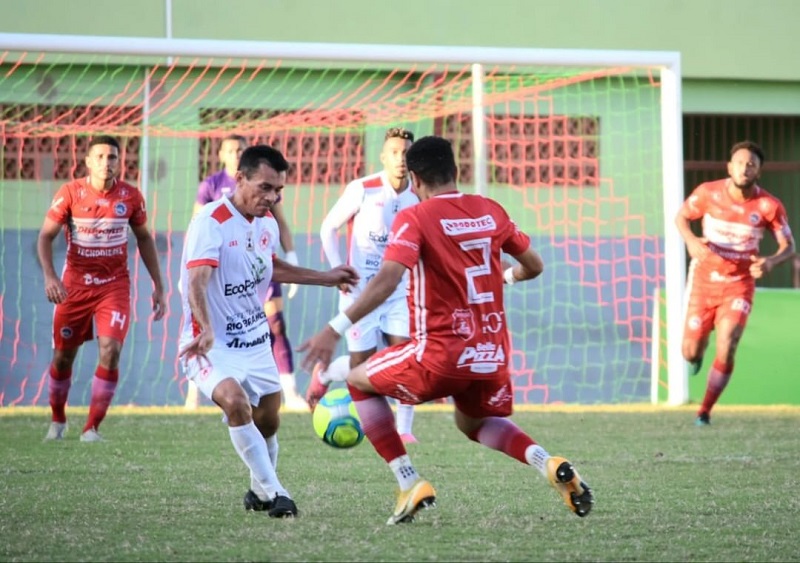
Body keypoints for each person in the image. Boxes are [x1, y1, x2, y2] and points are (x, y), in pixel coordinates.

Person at [299, 136, 593, 524]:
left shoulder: (415, 217)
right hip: (491, 354)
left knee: (357, 380)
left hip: (438, 354)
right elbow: (534, 266)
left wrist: (333, 329)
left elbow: (387, 279)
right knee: (472, 424)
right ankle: (547, 461)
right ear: (456, 171)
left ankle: (408, 481)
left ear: (416, 180)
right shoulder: (490, 209)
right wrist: (503, 277)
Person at [178, 145, 357, 517]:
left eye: (278, 190)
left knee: (269, 418)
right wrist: (207, 328)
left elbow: (268, 266)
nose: (272, 197)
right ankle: (278, 493)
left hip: (256, 341)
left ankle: (259, 491)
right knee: (235, 402)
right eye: (264, 187)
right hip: (210, 344)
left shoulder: (267, 223)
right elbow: (197, 279)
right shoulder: (211, 222)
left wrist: (325, 278)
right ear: (239, 178)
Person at [38, 135, 166, 442]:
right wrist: (51, 277)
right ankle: (58, 421)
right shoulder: (70, 192)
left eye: (112, 157)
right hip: (74, 288)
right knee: (63, 357)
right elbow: (45, 237)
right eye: (100, 157)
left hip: (114, 287)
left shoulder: (131, 197)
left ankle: (91, 428)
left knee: (111, 350)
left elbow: (145, 239)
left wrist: (159, 286)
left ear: (119, 162)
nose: (106, 163)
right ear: (88, 161)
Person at [307, 127, 420, 444]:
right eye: (395, 152)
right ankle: (327, 374)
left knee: (406, 356)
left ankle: (405, 429)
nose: (401, 159)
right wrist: (336, 270)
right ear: (383, 157)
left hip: (399, 292)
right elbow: (328, 227)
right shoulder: (363, 189)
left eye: (406, 153)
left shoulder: (418, 196)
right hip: (359, 293)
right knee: (364, 367)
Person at [676, 140, 795, 426]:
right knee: (689, 351)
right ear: (730, 167)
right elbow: (681, 217)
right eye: (740, 162)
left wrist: (770, 262)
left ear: (759, 171)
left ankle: (704, 410)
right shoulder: (707, 193)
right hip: (704, 280)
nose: (745, 168)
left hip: (739, 284)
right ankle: (696, 355)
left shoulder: (769, 206)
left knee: (728, 341)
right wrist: (691, 241)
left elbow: (789, 246)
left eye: (751, 164)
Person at [185, 134, 307, 411]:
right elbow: (197, 225)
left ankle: (289, 390)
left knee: (274, 325)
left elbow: (280, 221)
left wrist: (292, 254)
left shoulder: (267, 191)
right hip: (220, 274)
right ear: (222, 156)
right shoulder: (212, 187)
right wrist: (193, 273)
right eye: (230, 149)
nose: (234, 152)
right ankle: (194, 394)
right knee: (210, 330)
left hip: (257, 267)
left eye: (239, 148)